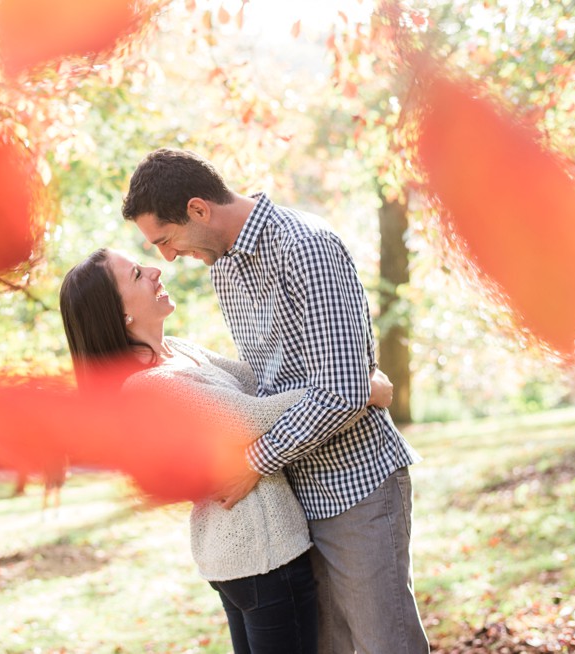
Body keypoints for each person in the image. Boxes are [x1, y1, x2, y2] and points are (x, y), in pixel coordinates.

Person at [121, 148, 428, 653]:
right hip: (293, 498)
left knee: (384, 642)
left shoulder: (305, 247)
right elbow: (264, 383)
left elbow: (342, 390)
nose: (168, 258)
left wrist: (254, 461)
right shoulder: (225, 269)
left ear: (198, 209)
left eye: (166, 239)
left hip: (354, 484)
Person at [59, 248, 393, 653]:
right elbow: (251, 416)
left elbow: (255, 384)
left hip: (246, 557)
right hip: (262, 559)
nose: (155, 270)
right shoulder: (147, 383)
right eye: (135, 274)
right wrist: (353, 389)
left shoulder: (178, 353)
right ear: (119, 314)